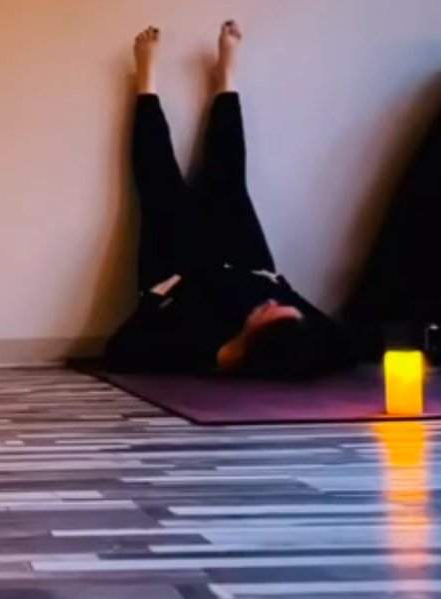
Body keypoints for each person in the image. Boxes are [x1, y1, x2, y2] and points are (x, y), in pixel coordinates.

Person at [104, 22, 353, 378]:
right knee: (229, 181)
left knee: (159, 184)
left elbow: (119, 351)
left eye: (272, 311)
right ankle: (227, 78)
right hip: (246, 262)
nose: (274, 303)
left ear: (253, 336)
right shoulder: (306, 339)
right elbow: (345, 346)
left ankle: (145, 82)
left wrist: (158, 298)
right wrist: (279, 287)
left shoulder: (194, 345)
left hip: (179, 275)